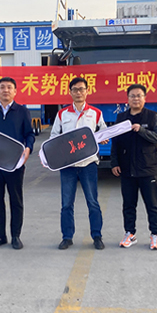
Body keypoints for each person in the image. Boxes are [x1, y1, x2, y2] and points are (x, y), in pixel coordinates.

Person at [50, 77, 107, 250]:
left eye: (82, 89)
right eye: (75, 89)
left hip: (88, 164)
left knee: (93, 202)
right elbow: (54, 137)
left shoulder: (95, 113)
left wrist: (103, 138)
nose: (78, 92)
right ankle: (67, 237)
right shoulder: (62, 114)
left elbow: (104, 131)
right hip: (67, 166)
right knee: (66, 204)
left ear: (87, 91)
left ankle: (97, 236)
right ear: (70, 92)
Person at [0, 77, 35, 250]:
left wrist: (28, 149)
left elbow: (29, 134)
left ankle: (16, 236)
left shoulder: (22, 111)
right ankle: (0, 236)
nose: (6, 90)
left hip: (14, 164)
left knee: (16, 200)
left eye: (9, 87)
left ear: (15, 91)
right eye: (2, 87)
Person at [110, 84, 157, 250]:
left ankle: (155, 235)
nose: (135, 99)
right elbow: (115, 142)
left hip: (148, 168)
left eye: (139, 95)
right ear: (127, 99)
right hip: (127, 169)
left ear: (144, 98)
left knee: (152, 205)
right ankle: (129, 233)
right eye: (132, 96)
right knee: (128, 204)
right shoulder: (121, 118)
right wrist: (114, 162)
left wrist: (141, 130)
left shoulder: (152, 117)